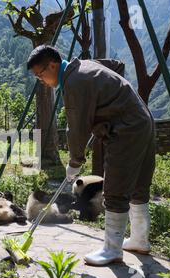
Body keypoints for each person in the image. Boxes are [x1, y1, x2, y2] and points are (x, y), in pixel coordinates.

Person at [27, 45, 156, 266]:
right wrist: (109, 102)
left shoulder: (74, 83)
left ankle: (112, 250)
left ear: (53, 65)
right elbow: (117, 66)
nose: (41, 80)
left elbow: (76, 128)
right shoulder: (86, 66)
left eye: (40, 74)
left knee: (115, 187)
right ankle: (140, 239)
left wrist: (75, 162)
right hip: (142, 121)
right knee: (138, 186)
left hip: (125, 130)